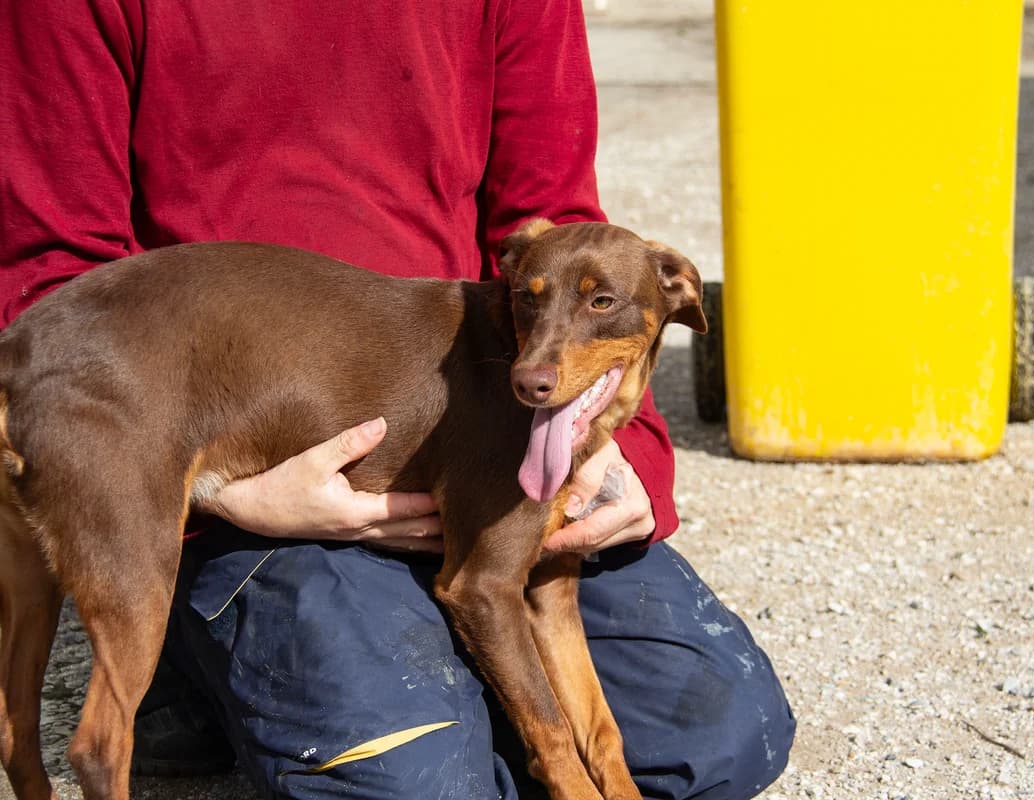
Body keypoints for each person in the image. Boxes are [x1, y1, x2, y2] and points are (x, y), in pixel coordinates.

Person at [1, 1, 795, 798]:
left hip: (473, 417)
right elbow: (53, 274)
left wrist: (624, 452)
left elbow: (569, 240)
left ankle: (348, 688)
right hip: (242, 476)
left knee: (724, 735)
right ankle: (196, 671)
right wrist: (228, 501)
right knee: (417, 782)